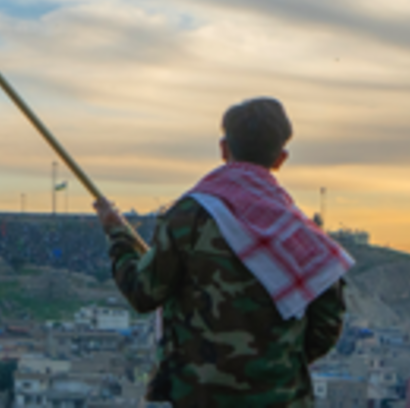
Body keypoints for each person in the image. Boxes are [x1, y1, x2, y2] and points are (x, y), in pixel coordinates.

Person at [93, 97, 352, 407]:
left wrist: (118, 234)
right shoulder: (299, 234)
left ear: (224, 148)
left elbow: (142, 293)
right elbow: (327, 323)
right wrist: (272, 366)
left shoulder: (188, 216)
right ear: (281, 158)